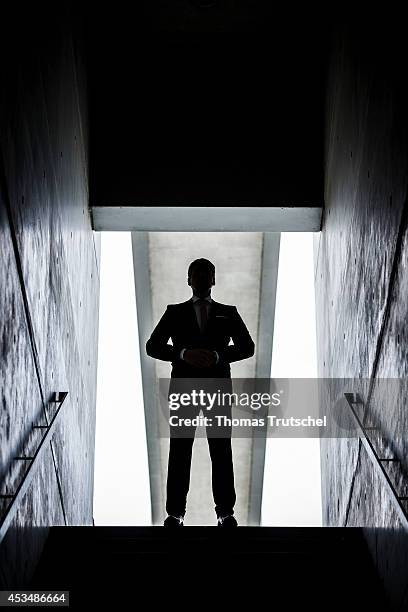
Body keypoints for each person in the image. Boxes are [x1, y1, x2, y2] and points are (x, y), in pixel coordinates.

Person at [145, 258, 255, 527]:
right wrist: (183, 354)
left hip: (217, 389)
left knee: (221, 449)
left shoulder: (229, 313)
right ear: (188, 279)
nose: (202, 278)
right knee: (180, 449)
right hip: (183, 388)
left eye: (207, 274)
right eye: (197, 274)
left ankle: (225, 513)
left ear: (214, 280)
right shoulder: (174, 312)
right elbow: (152, 346)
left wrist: (218, 356)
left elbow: (248, 347)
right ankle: (175, 514)